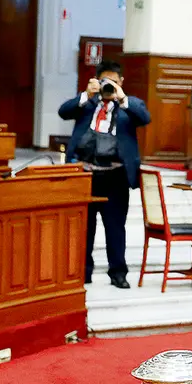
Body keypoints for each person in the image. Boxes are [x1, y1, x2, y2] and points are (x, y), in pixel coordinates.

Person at [59, 61, 151, 289]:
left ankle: (118, 273)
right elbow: (63, 112)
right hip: (85, 174)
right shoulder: (87, 104)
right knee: (84, 227)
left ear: (121, 83)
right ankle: (83, 272)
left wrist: (121, 98)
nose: (109, 87)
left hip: (115, 176)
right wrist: (85, 94)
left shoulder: (130, 105)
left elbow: (144, 118)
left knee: (115, 227)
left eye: (114, 82)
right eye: (104, 82)